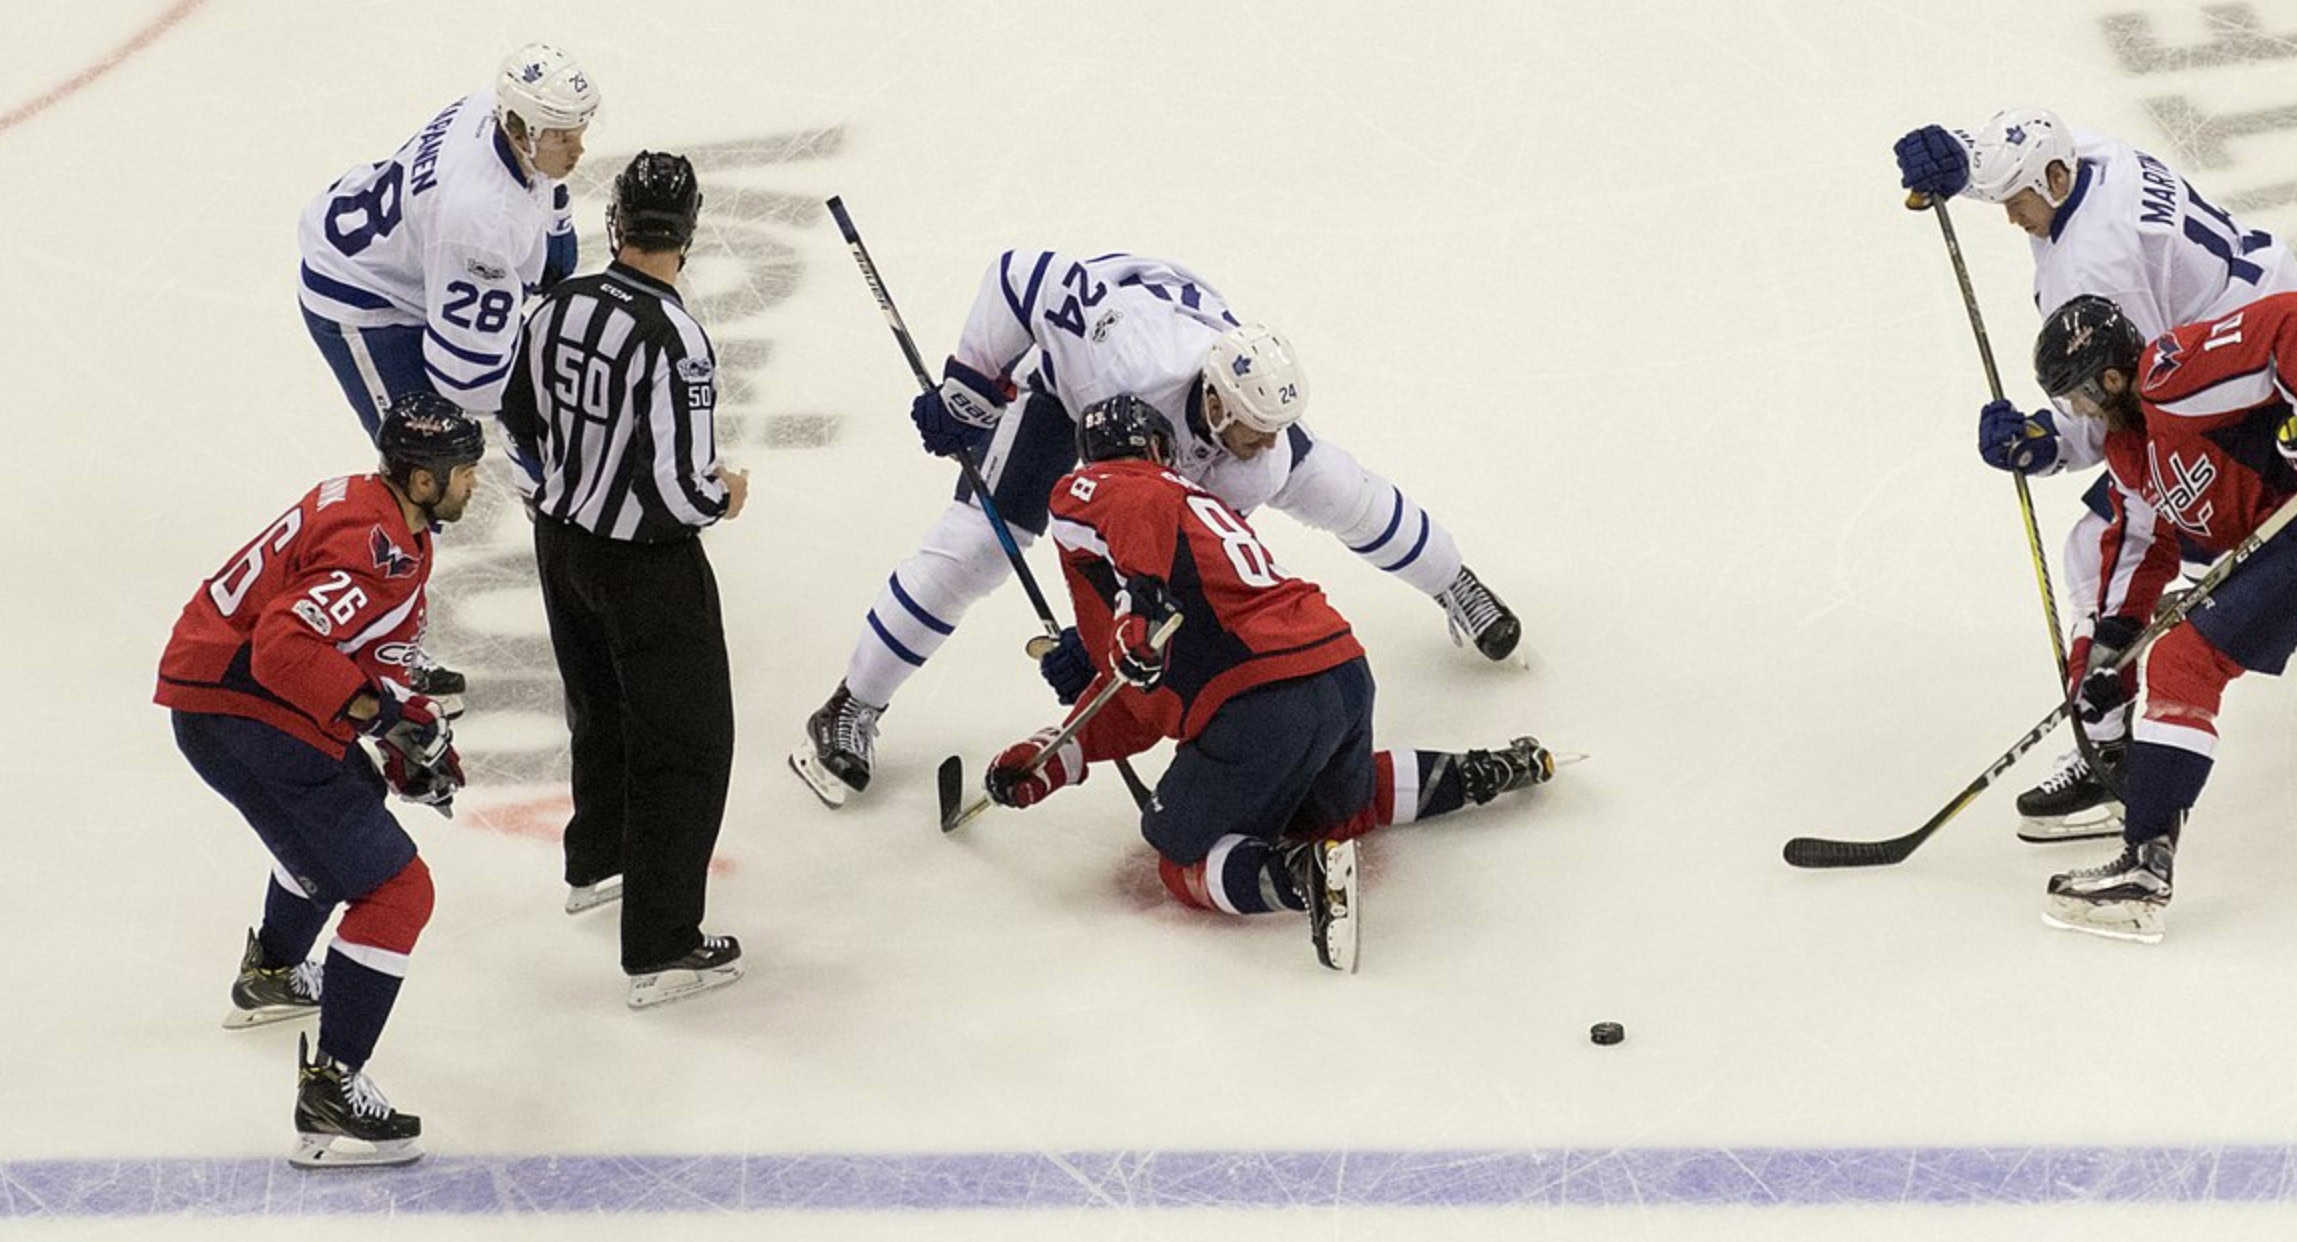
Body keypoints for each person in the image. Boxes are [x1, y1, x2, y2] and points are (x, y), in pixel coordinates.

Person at [789, 248, 1524, 805]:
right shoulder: (1125, 349)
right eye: (1258, 431)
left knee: (1335, 485)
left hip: (1166, 444)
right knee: (979, 545)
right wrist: (973, 389)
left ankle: (1452, 580)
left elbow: (1173, 566)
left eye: (1278, 430)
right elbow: (1023, 274)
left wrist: (1103, 645)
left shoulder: (1252, 457)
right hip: (1074, 399)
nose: (1271, 448)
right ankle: (851, 704)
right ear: (1220, 403)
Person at [980, 396, 1556, 971]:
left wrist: (1140, 608)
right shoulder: (1195, 512)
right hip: (1341, 674)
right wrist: (1054, 754)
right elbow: (1136, 706)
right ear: (1160, 445)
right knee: (1333, 811)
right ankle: (1482, 771)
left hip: (1257, 702)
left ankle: (1301, 877)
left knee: (1178, 853)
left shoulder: (1103, 491)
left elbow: (1134, 502)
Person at [1892, 108, 2297, 839]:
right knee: (2294, 539)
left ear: (2055, 181)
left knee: (2110, 544)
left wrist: (2042, 443)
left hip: (2228, 385)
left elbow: (2124, 401)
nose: (2014, 220)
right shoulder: (2094, 161)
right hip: (2264, 334)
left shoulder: (2094, 267)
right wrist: (1962, 159)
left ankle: (2108, 749)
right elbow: (2040, 143)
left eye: (2017, 202)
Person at [2027, 293, 2297, 944]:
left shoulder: (2169, 378)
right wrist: (2109, 654)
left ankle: (2143, 871)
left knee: (2185, 658)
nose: (2081, 413)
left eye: (2080, 396)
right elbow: (2137, 548)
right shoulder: (2131, 454)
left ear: (2112, 376)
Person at [155, 394, 481, 1167]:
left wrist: (410, 741)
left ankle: (273, 971)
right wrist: (379, 719)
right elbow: (284, 647)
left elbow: (371, 649)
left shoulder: (388, 520)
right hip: (239, 705)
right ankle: (334, 1090)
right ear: (424, 480)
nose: (475, 485)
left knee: (351, 810)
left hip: (228, 693)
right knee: (398, 890)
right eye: (464, 472)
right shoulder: (377, 545)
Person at [499, 151, 747, 1009]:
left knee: (598, 709)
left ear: (616, 224)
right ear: (688, 229)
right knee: (688, 743)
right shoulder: (675, 337)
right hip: (645, 565)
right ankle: (663, 942)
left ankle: (597, 861)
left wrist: (555, 499)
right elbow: (681, 489)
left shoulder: (556, 306)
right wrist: (726, 494)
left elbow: (519, 423)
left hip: (560, 545)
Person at [298, 43, 595, 444]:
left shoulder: (492, 107)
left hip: (385, 239)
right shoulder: (481, 219)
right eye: (561, 137)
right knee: (426, 459)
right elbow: (468, 381)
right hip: (359, 294)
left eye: (578, 130)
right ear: (521, 130)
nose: (579, 150)